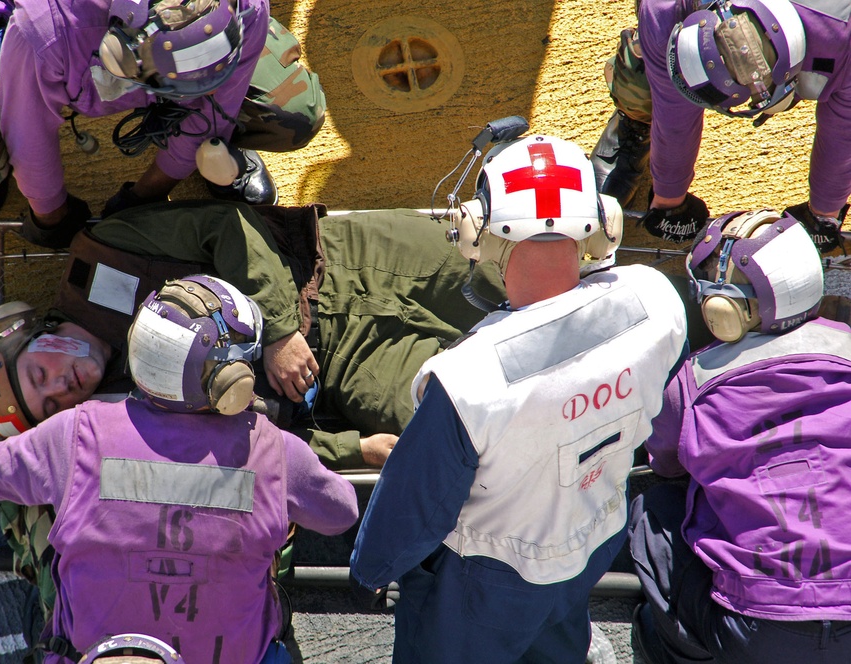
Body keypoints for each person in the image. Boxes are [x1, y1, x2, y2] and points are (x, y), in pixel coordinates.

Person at [349, 134, 688, 662]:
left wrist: (372, 569)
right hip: (594, 537)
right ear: (602, 223)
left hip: (486, 580)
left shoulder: (467, 378)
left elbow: (414, 505)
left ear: (477, 232)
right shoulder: (655, 299)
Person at [0, 201, 508, 470]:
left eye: (40, 372)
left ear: (24, 331)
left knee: (526, 262)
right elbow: (243, 448)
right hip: (347, 368)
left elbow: (228, 225)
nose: (65, 383)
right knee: (474, 419)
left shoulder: (108, 248)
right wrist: (353, 450)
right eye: (52, 403)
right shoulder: (129, 418)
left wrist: (279, 331)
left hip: (348, 260)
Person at [0, 274, 359, 664]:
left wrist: (48, 437)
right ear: (231, 381)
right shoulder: (273, 448)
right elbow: (341, 513)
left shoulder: (72, 434)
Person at [0, 0, 325, 246]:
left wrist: (150, 192)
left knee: (295, 113)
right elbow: (29, 134)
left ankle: (213, 149)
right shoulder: (46, 25)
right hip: (34, 29)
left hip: (154, 45)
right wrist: (51, 216)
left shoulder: (241, 5)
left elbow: (217, 103)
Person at [628, 208, 851, 664]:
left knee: (653, 509)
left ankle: (674, 652)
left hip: (755, 632)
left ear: (724, 309)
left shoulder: (691, 383)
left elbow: (666, 465)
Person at [590, 0, 850, 251]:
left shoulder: (842, 31)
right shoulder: (665, 8)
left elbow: (843, 133)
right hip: (681, 21)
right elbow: (674, 115)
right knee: (643, 70)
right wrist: (668, 195)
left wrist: (824, 211)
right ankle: (636, 122)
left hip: (828, 38)